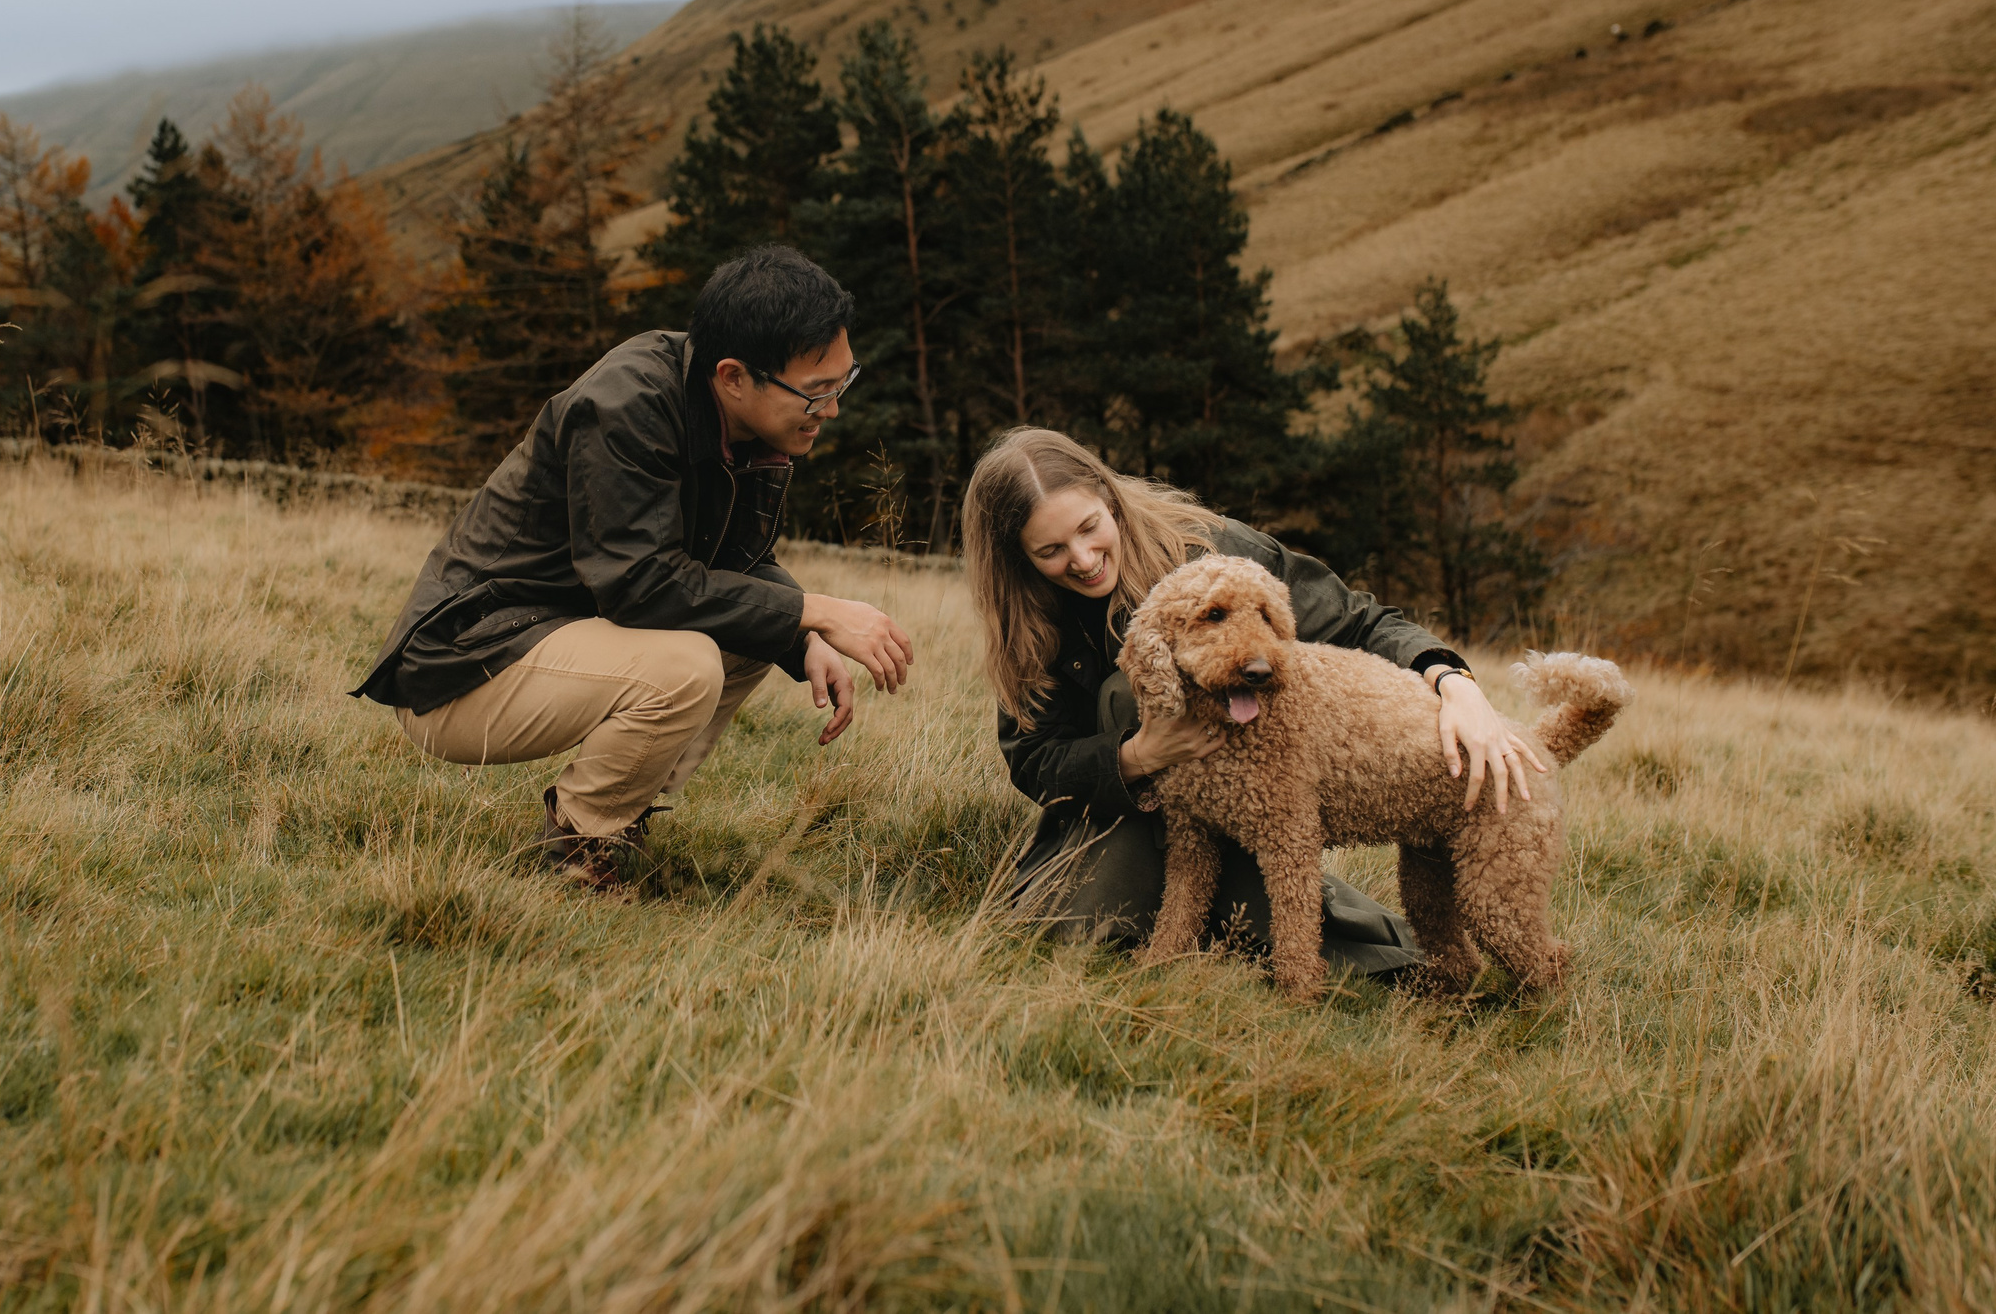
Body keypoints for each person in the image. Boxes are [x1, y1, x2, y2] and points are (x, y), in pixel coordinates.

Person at [352, 246, 914, 889]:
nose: (834, 410)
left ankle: (621, 818)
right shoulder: (627, 407)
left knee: (760, 631)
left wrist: (802, 635)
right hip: (462, 667)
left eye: (843, 382)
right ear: (734, 376)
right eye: (817, 393)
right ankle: (578, 849)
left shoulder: (750, 420)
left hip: (556, 639)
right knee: (690, 665)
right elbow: (637, 586)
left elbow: (737, 563)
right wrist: (816, 610)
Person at [961, 427, 1549, 972]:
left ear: (1110, 501)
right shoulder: (1025, 623)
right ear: (1020, 558)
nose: (1083, 560)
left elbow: (1359, 622)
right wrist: (1138, 756)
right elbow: (1035, 760)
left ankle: (1319, 931)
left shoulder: (1213, 551)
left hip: (1250, 803)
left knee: (1333, 954)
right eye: (1051, 551)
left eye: (1090, 528)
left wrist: (1453, 680)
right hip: (1120, 815)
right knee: (1074, 931)